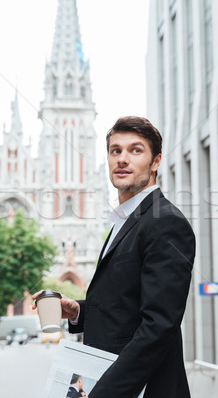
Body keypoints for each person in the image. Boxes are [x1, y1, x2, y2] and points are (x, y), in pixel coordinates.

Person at [33, 116, 196, 397]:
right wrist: (78, 312)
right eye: (115, 151)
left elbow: (158, 326)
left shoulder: (165, 222)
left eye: (136, 150)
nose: (122, 159)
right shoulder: (126, 220)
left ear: (156, 161)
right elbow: (127, 306)